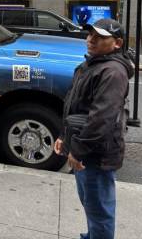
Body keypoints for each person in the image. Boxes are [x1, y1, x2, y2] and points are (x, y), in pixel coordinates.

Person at [54, 18, 133, 239]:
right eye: (90, 35)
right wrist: (63, 136)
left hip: (95, 154)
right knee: (91, 203)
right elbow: (74, 106)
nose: (91, 39)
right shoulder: (92, 64)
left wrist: (78, 151)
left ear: (117, 43)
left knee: (99, 210)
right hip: (85, 149)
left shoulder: (112, 72)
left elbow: (101, 118)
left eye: (100, 37)